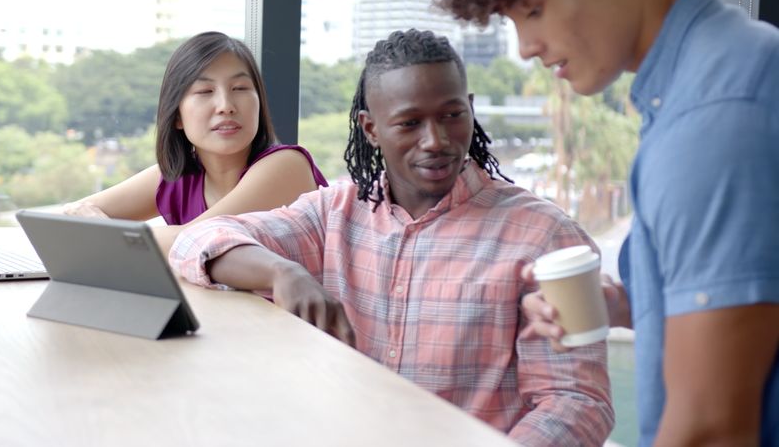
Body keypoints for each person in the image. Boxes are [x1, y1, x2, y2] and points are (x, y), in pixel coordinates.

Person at [432, 0, 779, 445]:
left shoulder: (714, 116)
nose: (525, 47)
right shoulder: (715, 73)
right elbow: (728, 300)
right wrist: (611, 303)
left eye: (534, 10)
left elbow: (712, 428)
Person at [169, 29, 613, 446]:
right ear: (371, 129)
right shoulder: (334, 212)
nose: (435, 140)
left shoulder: (545, 236)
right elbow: (198, 241)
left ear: (470, 108)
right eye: (409, 123)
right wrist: (283, 272)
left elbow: (576, 402)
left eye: (452, 115)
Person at [58, 31, 328, 253]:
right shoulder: (176, 178)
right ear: (177, 116)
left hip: (294, 320)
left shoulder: (286, 166)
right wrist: (101, 230)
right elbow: (70, 220)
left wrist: (103, 234)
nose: (226, 105)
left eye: (240, 89)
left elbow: (198, 239)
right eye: (205, 91)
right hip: (222, 316)